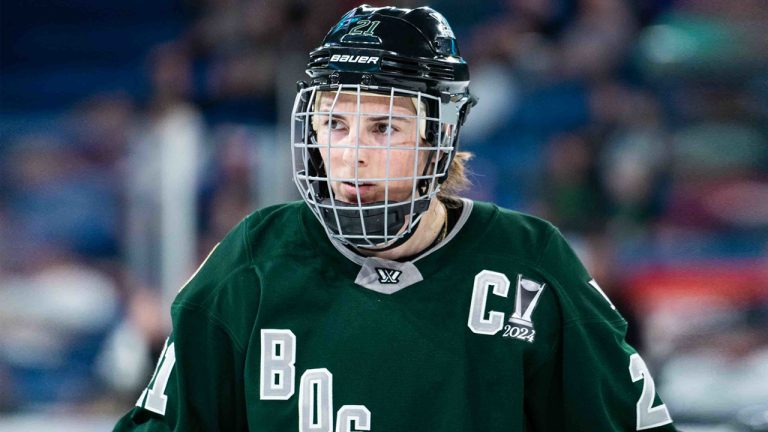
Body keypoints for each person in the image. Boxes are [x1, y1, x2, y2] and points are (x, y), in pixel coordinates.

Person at [114, 4, 677, 431]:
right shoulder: (255, 259)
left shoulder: (529, 263)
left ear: (441, 137)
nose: (352, 153)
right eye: (334, 125)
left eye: (384, 128)